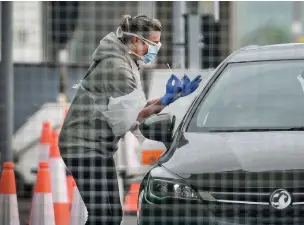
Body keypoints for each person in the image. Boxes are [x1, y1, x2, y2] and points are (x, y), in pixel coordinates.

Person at [58, 14, 201, 225]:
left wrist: (168, 98)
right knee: (104, 217)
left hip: (95, 146)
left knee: (111, 215)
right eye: (153, 43)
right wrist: (166, 100)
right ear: (135, 40)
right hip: (82, 146)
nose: (156, 49)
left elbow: (133, 108)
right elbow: (133, 115)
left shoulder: (125, 60)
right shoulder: (117, 67)